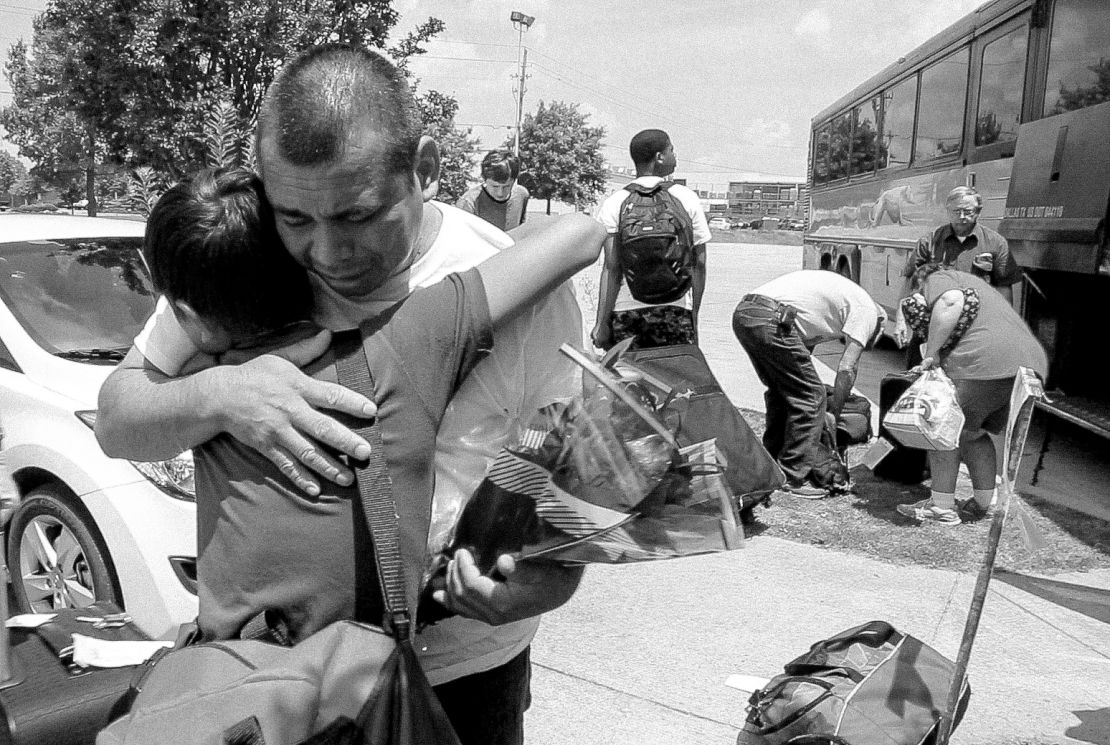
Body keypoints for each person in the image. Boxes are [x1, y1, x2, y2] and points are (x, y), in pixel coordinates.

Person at [96, 45, 589, 745]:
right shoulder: (249, 259)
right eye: (297, 217)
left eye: (357, 216)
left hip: (464, 675)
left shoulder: (519, 294)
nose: (325, 253)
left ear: (424, 167)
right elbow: (117, 419)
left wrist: (551, 580)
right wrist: (225, 393)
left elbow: (565, 492)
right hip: (268, 685)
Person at [896, 264, 1047, 526]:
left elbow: (950, 301)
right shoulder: (978, 286)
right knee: (971, 433)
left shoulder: (938, 278)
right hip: (1029, 365)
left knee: (941, 430)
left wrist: (931, 354)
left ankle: (941, 507)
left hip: (985, 361)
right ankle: (983, 503)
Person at [732, 270, 886, 498]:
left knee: (782, 391)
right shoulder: (868, 312)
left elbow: (800, 352)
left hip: (747, 314)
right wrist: (834, 411)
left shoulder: (841, 304)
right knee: (812, 396)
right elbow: (847, 367)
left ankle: (772, 462)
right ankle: (793, 476)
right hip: (772, 318)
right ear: (879, 323)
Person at [592, 129, 709, 351]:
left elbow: (612, 268)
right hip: (675, 311)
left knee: (628, 383)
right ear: (659, 157)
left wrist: (601, 323)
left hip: (627, 313)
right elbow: (699, 264)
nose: (675, 156)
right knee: (674, 382)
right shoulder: (686, 198)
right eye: (671, 150)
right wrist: (693, 315)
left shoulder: (616, 202)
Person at [894, 186, 1022, 350]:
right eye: (956, 211)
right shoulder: (930, 241)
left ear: (978, 211)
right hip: (930, 325)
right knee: (918, 372)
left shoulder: (995, 243)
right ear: (948, 211)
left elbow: (1004, 288)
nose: (962, 217)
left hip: (974, 329)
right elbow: (909, 282)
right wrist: (900, 321)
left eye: (968, 212)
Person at [455, 149, 530, 231]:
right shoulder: (468, 203)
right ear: (484, 179)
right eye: (495, 186)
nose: (500, 193)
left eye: (507, 186)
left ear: (514, 180)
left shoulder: (522, 195)